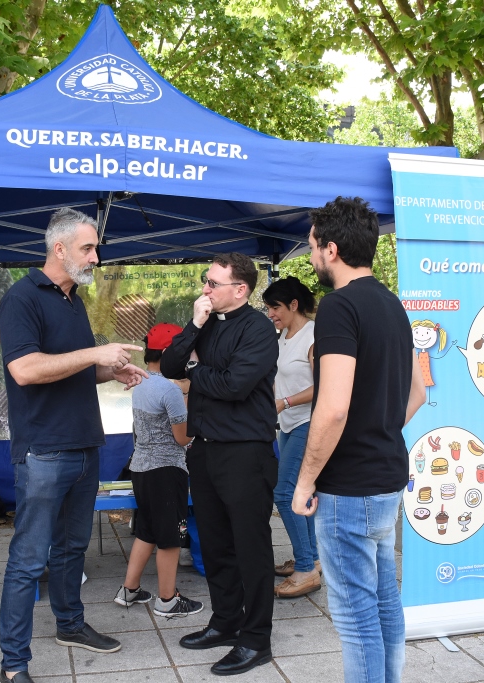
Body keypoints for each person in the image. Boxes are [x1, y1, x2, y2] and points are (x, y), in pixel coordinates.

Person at [0, 207, 149, 683]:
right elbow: (25, 370)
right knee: (28, 559)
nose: (96, 257)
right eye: (87, 248)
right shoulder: (21, 298)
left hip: (85, 447)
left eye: (96, 248)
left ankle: (71, 625)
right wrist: (95, 353)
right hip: (43, 451)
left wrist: (109, 370)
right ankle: (14, 664)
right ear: (58, 249)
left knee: (72, 550)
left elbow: (69, 367)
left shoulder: (73, 300)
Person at [291, 197, 426, 683]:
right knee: (384, 599)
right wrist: (381, 428)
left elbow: (332, 407)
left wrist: (305, 480)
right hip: (386, 476)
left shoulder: (338, 308)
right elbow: (417, 393)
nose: (309, 258)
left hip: (349, 487)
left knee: (356, 617)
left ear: (331, 249)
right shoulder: (392, 304)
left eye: (311, 248)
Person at [161, 252, 279, 677]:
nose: (205, 289)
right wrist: (193, 328)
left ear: (240, 289)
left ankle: (256, 639)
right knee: (214, 543)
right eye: (205, 281)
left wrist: (196, 371)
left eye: (213, 283)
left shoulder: (260, 329)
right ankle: (226, 622)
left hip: (245, 451)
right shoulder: (206, 322)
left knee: (251, 547)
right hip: (205, 448)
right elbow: (169, 366)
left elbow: (235, 385)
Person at [115, 323, 203, 618]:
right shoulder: (169, 389)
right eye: (182, 352)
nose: (187, 358)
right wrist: (191, 401)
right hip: (166, 471)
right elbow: (183, 437)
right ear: (167, 352)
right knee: (171, 537)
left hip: (140, 468)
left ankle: (129, 590)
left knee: (147, 531)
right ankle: (168, 599)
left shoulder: (140, 381)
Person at [262, 277, 321, 598]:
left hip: (307, 423)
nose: (271, 313)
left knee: (285, 495)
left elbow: (322, 386)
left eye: (275, 307)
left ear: (294, 305)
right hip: (286, 424)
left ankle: (305, 570)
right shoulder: (284, 336)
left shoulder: (314, 337)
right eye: (269, 308)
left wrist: (283, 402)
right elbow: (279, 380)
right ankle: (311, 558)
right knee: (301, 493)